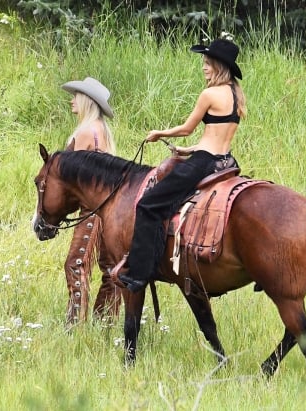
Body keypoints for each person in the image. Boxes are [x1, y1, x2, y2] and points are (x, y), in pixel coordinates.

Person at [115, 38, 246, 293]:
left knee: (148, 204)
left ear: (219, 66)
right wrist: (188, 151)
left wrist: (159, 134)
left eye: (208, 64)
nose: (204, 68)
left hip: (205, 163)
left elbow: (187, 129)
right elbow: (217, 135)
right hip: (226, 162)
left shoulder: (209, 94)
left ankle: (139, 274)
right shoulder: (235, 94)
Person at [60, 77, 120, 324]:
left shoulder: (86, 131)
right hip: (110, 206)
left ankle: (75, 324)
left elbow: (71, 175)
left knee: (76, 264)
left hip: (93, 207)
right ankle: (104, 322)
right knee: (110, 267)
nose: (72, 100)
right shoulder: (101, 129)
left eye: (76, 96)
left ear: (87, 101)